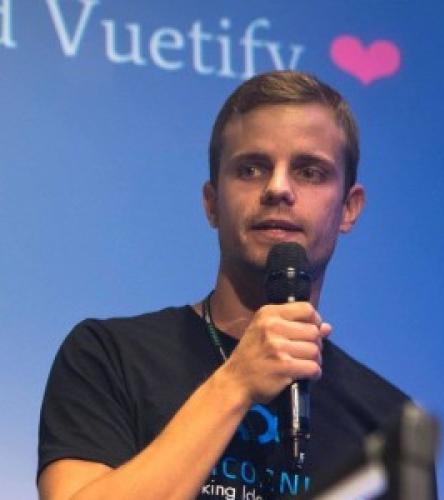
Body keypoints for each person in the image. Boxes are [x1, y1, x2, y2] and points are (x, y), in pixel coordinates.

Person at [37, 71, 410, 499]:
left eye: (309, 172)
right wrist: (234, 384)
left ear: (349, 208)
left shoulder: (387, 423)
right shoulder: (108, 356)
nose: (278, 188)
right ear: (212, 204)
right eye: (251, 169)